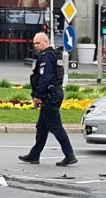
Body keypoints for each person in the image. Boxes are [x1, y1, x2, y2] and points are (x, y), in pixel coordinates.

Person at [19, 32, 77, 166]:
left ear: (46, 42)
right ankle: (34, 155)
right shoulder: (53, 55)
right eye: (34, 43)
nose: (35, 46)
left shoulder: (46, 57)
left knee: (56, 127)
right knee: (42, 127)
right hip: (53, 94)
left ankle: (69, 155)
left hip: (49, 96)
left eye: (37, 43)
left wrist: (38, 96)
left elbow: (45, 78)